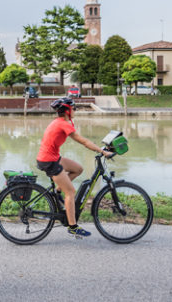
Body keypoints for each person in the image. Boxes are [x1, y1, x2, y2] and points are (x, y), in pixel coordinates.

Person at [36, 97, 114, 238]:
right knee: (71, 192)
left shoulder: (59, 122)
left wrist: (99, 149)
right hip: (49, 161)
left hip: (51, 158)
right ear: (67, 110)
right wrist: (102, 152)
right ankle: (73, 227)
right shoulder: (64, 124)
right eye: (74, 108)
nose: (75, 110)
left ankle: (57, 191)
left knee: (78, 169)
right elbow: (83, 141)